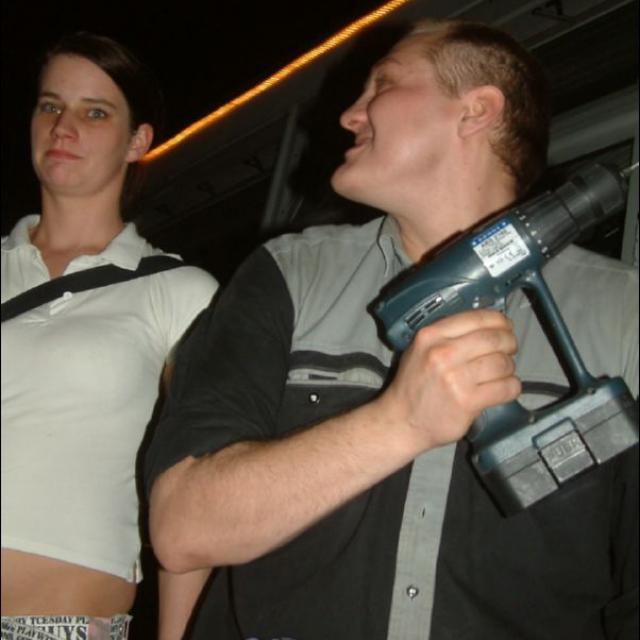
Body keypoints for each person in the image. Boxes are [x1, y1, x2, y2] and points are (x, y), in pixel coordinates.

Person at [145, 18, 638, 640]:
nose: (349, 115)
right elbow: (183, 527)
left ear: (475, 111)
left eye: (382, 84)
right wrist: (400, 421)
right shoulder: (290, 275)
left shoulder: (625, 311)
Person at [0, 32, 218, 639]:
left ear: (138, 141)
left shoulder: (181, 292)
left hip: (57, 625)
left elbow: (198, 483)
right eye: (50, 106)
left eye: (94, 113)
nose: (62, 127)